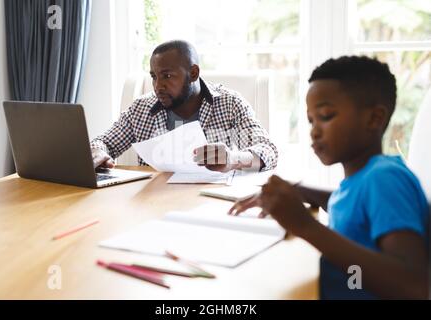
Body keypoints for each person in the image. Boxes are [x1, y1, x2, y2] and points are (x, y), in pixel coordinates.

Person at [229, 56, 429, 299]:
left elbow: (414, 287)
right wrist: (299, 191)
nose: (314, 130)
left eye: (325, 116)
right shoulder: (364, 178)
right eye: (311, 120)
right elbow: (352, 209)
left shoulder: (384, 180)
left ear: (374, 119)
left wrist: (305, 225)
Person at [90, 40, 278, 173]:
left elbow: (268, 151)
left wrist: (232, 158)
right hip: (152, 204)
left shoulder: (230, 104)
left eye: (167, 76)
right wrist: (97, 151)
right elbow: (105, 142)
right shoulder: (141, 109)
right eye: (154, 76)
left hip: (210, 204)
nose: (158, 86)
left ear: (193, 73)